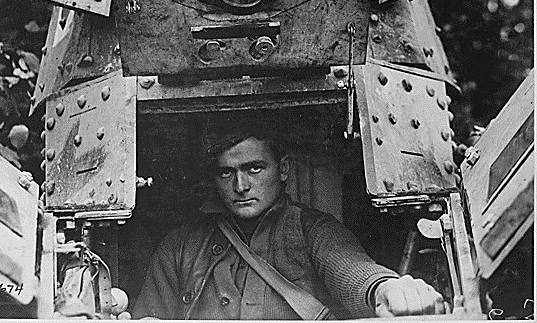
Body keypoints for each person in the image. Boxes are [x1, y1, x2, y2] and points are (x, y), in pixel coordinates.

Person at [133, 129, 448, 319]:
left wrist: (388, 289)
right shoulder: (180, 246)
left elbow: (353, 271)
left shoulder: (313, 230)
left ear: (282, 170)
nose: (240, 186)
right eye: (226, 173)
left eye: (254, 169)